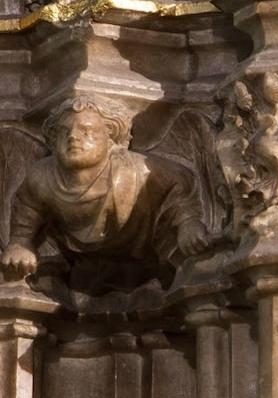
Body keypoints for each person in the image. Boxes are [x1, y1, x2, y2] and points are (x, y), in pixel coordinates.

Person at [1, 95, 209, 294]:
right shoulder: (41, 176)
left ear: (111, 140)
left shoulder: (138, 170)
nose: (73, 136)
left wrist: (188, 221)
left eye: (86, 131)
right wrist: (20, 242)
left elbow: (180, 183)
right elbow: (27, 207)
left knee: (195, 266)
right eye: (64, 132)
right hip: (72, 258)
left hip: (143, 248)